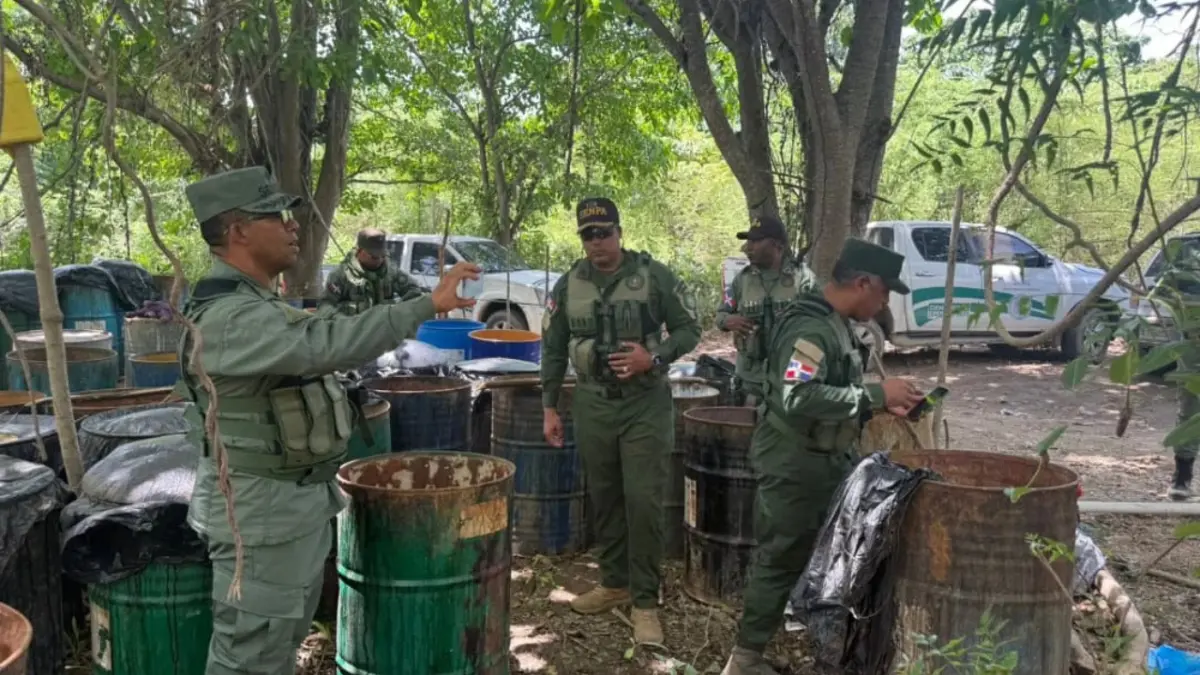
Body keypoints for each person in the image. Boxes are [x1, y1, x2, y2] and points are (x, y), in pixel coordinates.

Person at [175, 166, 481, 675]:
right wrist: (426, 305)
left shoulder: (255, 303)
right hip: (259, 515)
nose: (293, 224)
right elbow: (325, 343)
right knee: (248, 656)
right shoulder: (228, 316)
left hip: (286, 506)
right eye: (276, 214)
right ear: (238, 230)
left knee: (276, 643)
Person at [722, 238, 925, 675]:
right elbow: (798, 396)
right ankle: (743, 662)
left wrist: (881, 402)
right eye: (884, 292)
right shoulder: (809, 328)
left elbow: (832, 392)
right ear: (863, 282)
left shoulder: (832, 321)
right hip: (795, 463)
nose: (885, 302)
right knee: (781, 558)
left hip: (826, 457)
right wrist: (874, 393)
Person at [540, 197, 701, 646]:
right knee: (606, 496)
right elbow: (553, 348)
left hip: (645, 404)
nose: (597, 243)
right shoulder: (568, 284)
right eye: (588, 235)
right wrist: (550, 407)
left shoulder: (653, 276)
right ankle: (615, 583)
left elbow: (689, 329)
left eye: (604, 233)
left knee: (643, 500)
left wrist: (655, 357)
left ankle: (645, 601)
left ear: (619, 232)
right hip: (592, 404)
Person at [715, 216, 816, 407]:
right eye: (748, 241)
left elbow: (822, 323)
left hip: (789, 379)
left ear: (776, 245)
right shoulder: (742, 280)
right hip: (750, 381)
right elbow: (720, 315)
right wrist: (729, 320)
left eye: (755, 241)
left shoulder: (803, 279)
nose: (747, 247)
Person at [1151, 239, 1200, 501]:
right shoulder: (1188, 247)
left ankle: (1182, 480)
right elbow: (1160, 289)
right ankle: (1181, 480)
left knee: (1191, 408)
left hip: (1191, 342)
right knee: (1191, 407)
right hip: (1193, 343)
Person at [319, 228, 426, 315]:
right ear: (360, 251)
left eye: (382, 255)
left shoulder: (391, 272)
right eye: (374, 257)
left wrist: (396, 310)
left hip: (383, 330)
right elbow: (325, 305)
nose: (379, 260)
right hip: (352, 332)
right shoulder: (341, 275)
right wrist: (341, 320)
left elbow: (414, 292)